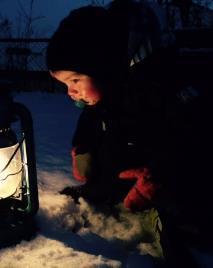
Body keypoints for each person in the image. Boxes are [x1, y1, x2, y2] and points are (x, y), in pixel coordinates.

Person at [46, 0, 212, 267]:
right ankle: (104, 195)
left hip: (174, 181)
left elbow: (190, 138)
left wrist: (158, 177)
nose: (71, 92)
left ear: (105, 69)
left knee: (185, 207)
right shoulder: (109, 95)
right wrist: (83, 146)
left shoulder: (161, 87)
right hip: (128, 181)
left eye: (75, 80)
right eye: (65, 84)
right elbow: (91, 120)